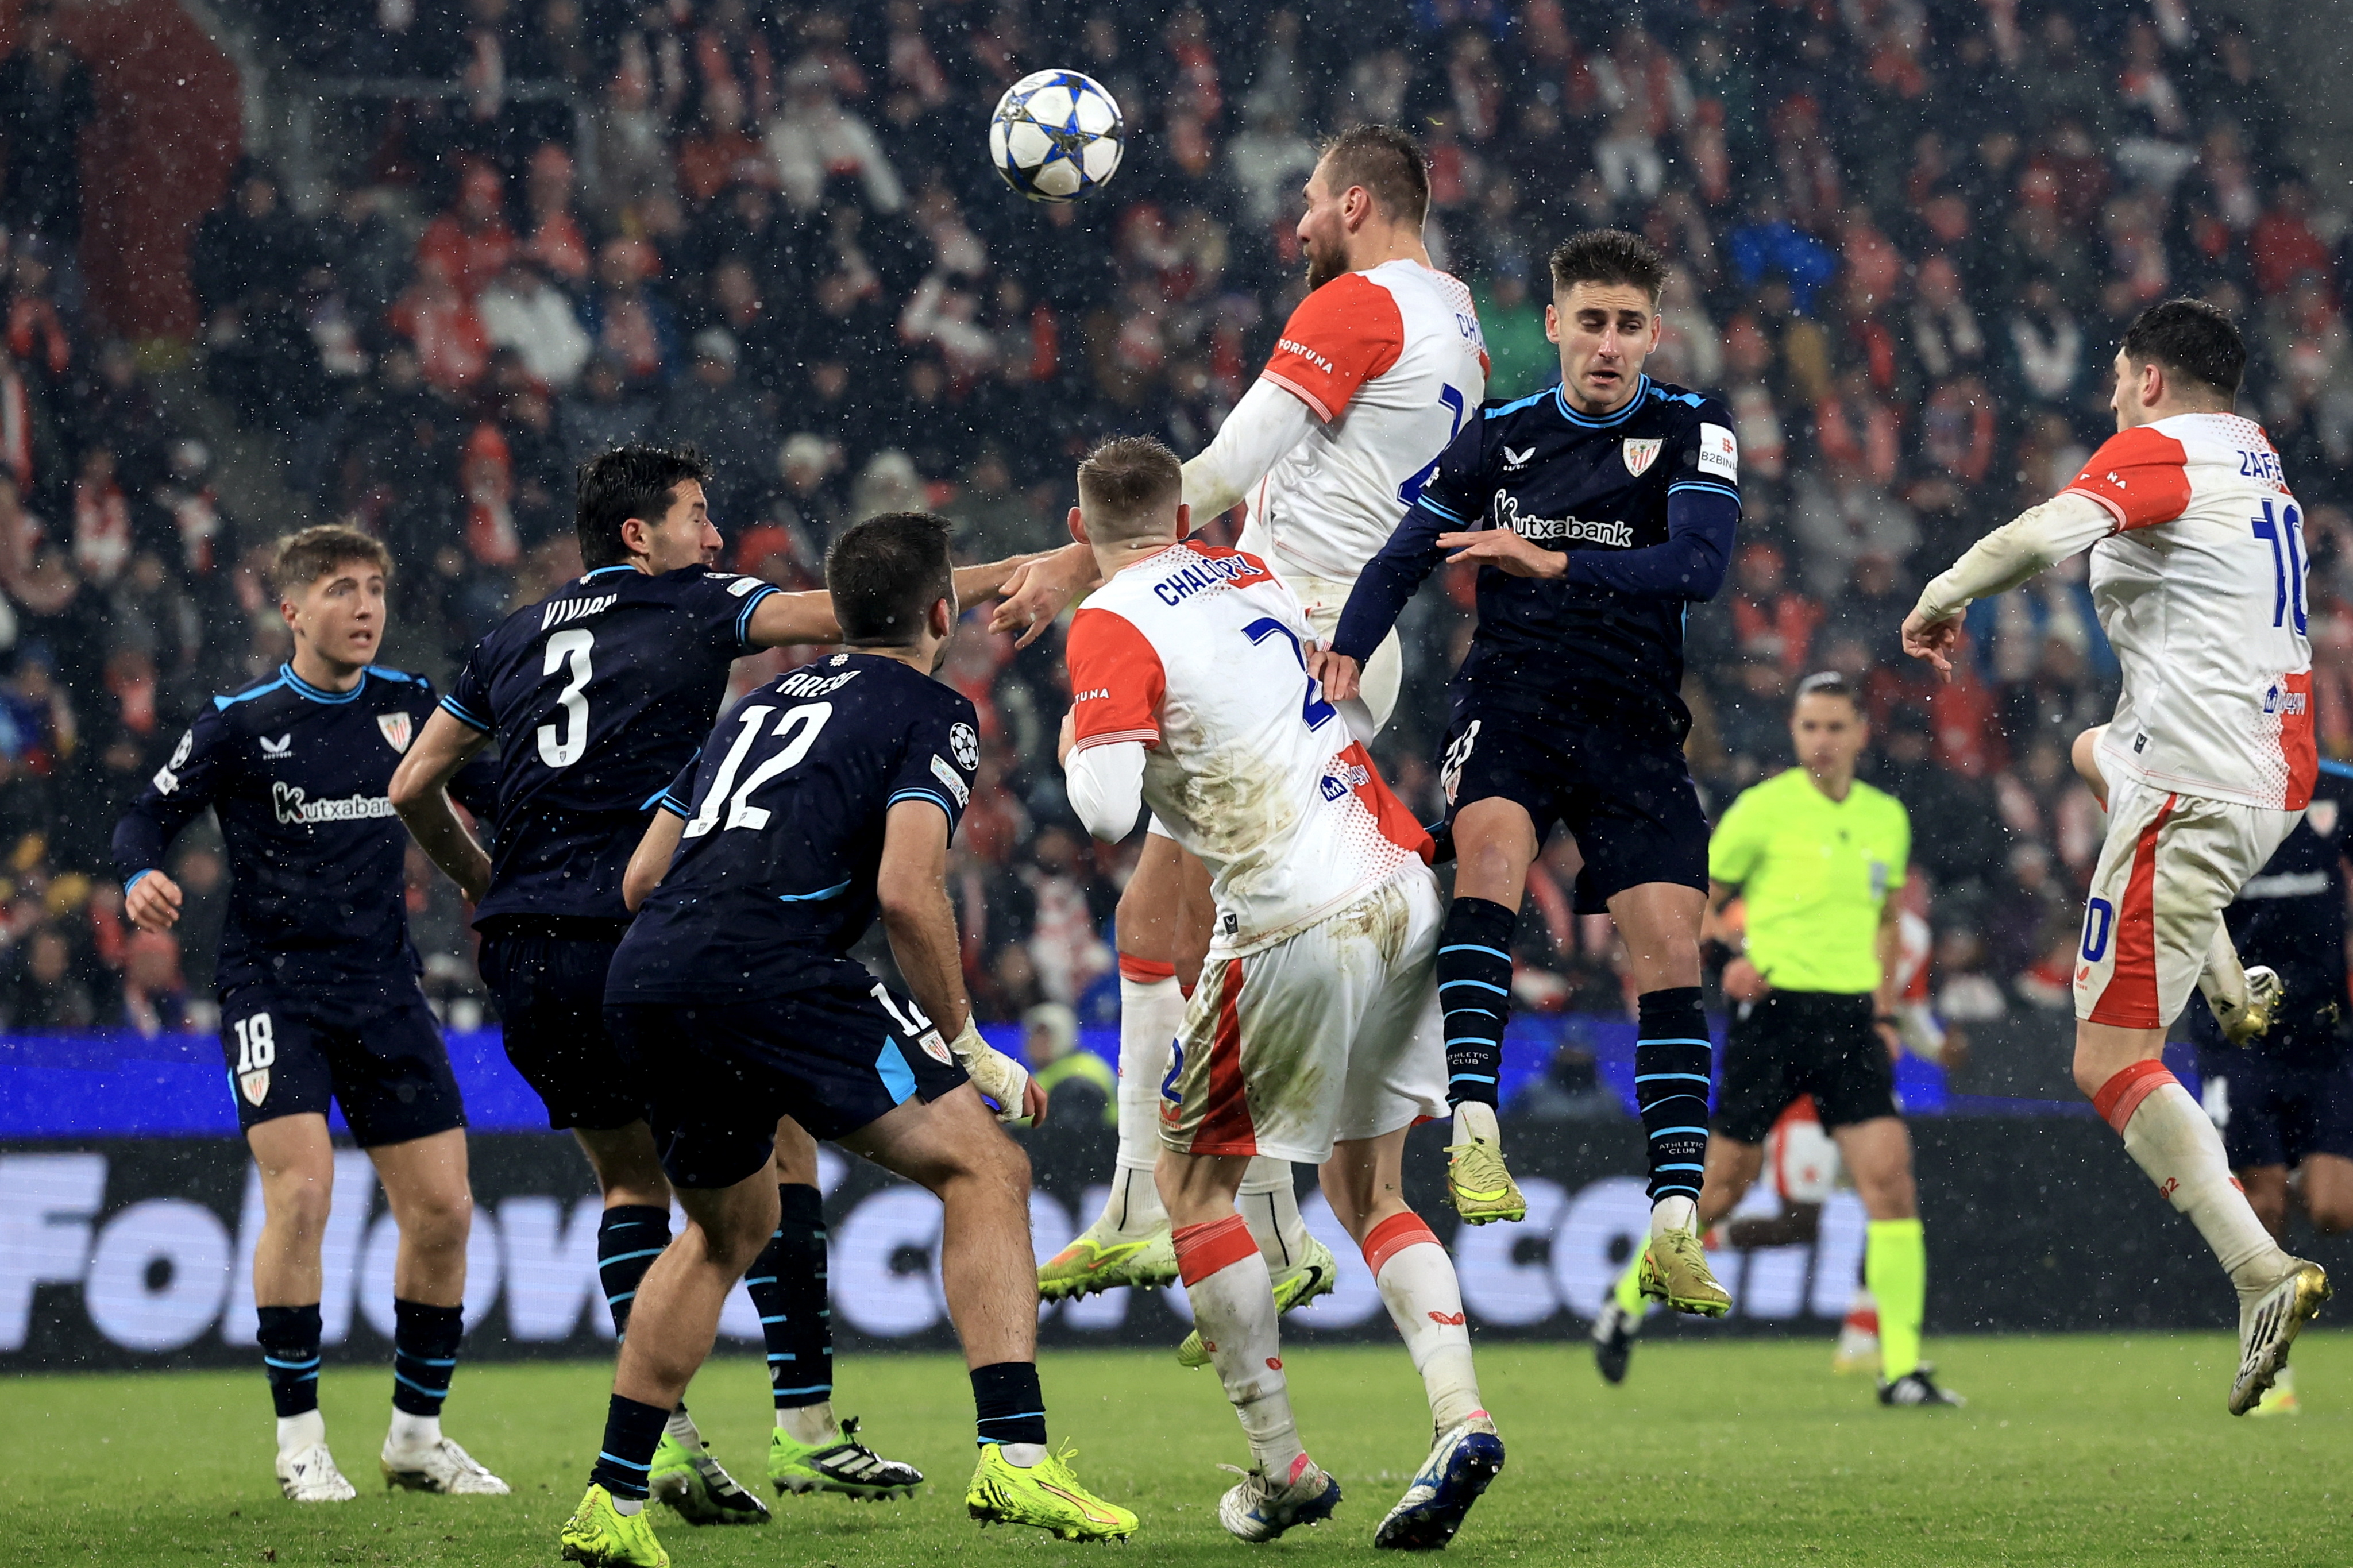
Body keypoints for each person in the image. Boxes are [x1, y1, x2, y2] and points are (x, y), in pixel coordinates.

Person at [391, 445, 1077, 1517]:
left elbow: (412, 783)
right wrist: (1042, 564)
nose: (712, 536)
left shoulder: (507, 637)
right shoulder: (699, 605)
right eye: (697, 516)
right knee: (778, 1163)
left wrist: (483, 879)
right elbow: (857, 606)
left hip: (526, 944)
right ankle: (790, 1427)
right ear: (641, 536)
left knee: (649, 1184)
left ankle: (662, 1452)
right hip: (646, 918)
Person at [557, 512, 1135, 1567]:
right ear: (940, 613)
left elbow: (641, 879)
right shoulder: (932, 709)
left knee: (727, 1234)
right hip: (770, 966)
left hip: (648, 975)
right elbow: (907, 894)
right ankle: (1013, 1455)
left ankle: (612, 1495)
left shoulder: (752, 704)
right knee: (987, 1169)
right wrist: (967, 1044)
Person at [1008, 124, 1491, 1332]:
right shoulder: (1459, 319)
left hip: (1294, 637)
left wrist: (1082, 558)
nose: (1295, 228)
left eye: (1313, 204)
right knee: (1167, 910)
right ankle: (1170, 1205)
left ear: (1361, 203)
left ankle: (1238, 1219)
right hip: (1336, 639)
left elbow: (1215, 472)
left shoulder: (1358, 306)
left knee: (1218, 919)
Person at [1060, 437, 1500, 1550]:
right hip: (1397, 882)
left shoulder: (1108, 623)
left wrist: (1078, 740)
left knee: (1191, 1188)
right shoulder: (1246, 574)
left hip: (1292, 913)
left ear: (1079, 533)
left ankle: (1281, 1469)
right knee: (1371, 1192)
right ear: (1183, 515)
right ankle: (1458, 1417)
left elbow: (1109, 812)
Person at [1901, 297, 2330, 1415]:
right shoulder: (2256, 458)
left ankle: (2257, 1271)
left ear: (2146, 378)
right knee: (2094, 745)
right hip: (2267, 768)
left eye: (2113, 376)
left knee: (2106, 1060)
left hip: (2193, 789)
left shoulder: (2161, 447)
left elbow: (2045, 533)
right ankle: (2231, 984)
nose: (2106, 395)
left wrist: (1940, 595)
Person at [1323, 227, 1742, 1318]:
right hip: (1512, 703)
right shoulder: (1502, 438)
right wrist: (1349, 647)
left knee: (1667, 952)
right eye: (1589, 321)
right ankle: (1473, 1128)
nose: (1608, 345)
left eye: (1628, 325)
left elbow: (1697, 567)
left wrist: (1552, 559)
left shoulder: (1693, 429)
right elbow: (1407, 549)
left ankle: (1673, 1221)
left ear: (1656, 332)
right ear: (1554, 325)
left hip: (1637, 727)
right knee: (1490, 859)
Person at [111, 526, 507, 1503]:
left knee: (446, 1212)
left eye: (376, 587)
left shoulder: (413, 708)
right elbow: (140, 816)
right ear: (291, 610)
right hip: (275, 990)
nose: (366, 606)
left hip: (386, 989)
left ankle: (416, 1439)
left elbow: (499, 791)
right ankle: (300, 1445)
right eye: (341, 590)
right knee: (302, 1194)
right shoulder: (240, 723)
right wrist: (139, 874)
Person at [1590, 673, 1961, 1405]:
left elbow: (1888, 923)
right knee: (1724, 1187)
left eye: (1834, 727)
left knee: (1890, 1184)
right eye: (1809, 727)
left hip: (1851, 1020)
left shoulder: (1886, 817)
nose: (1820, 741)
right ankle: (1624, 1305)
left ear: (1859, 733)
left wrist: (1885, 1016)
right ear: (1794, 733)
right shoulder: (1761, 811)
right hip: (1776, 1018)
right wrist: (1730, 961)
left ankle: (1902, 1370)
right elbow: (1699, 905)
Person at [2189, 763, 2353, 1414]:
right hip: (2238, 1032)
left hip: (2322, 1032)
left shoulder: (2337, 788)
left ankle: (2286, 1174)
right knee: (2261, 1198)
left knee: (2334, 1209)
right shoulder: (2213, 786)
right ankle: (2267, 1357)